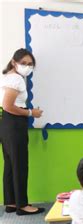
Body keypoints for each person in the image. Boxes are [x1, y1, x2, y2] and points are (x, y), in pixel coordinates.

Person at [1, 48, 44, 215]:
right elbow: (8, 106)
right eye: (24, 63)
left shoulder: (8, 78)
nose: (27, 67)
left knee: (10, 164)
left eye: (30, 64)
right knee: (20, 164)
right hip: (13, 124)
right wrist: (31, 113)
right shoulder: (16, 80)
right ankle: (23, 206)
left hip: (5, 123)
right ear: (14, 62)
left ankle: (12, 203)